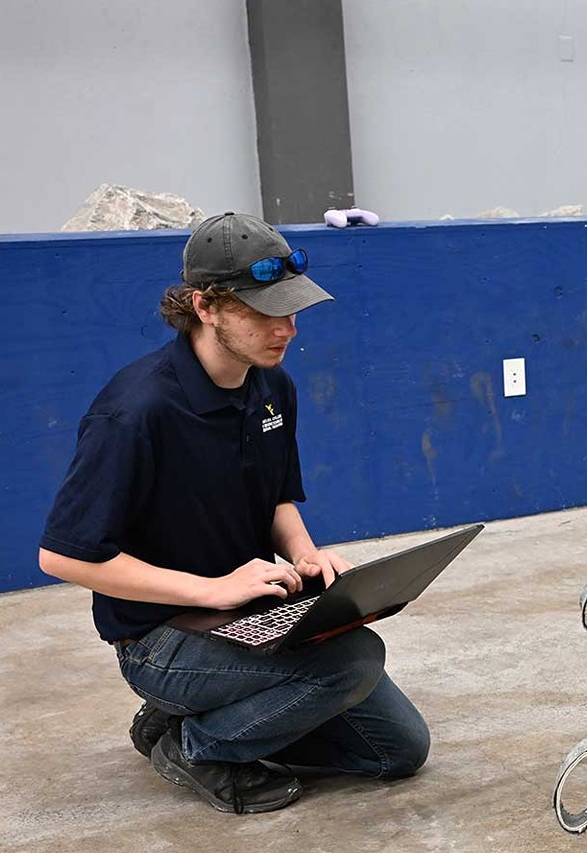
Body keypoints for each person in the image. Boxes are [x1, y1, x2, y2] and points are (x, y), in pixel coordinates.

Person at [38, 212, 430, 815]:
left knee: (399, 751)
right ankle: (192, 742)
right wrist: (211, 589)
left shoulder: (272, 387)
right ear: (206, 307)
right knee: (352, 661)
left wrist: (304, 554)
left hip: (249, 613)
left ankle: (214, 712)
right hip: (158, 636)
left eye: (293, 311)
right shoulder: (136, 412)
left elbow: (275, 496)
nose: (288, 330)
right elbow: (62, 555)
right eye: (266, 313)